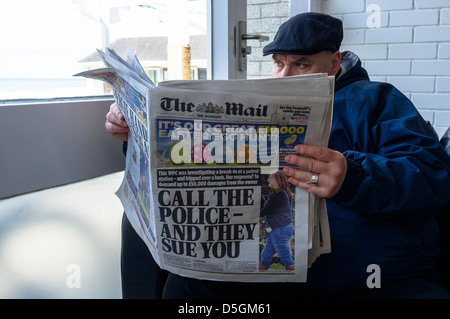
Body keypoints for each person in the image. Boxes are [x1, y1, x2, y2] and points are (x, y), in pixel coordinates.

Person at [106, 12, 450, 299]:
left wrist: (354, 177)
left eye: (300, 64)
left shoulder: (377, 100)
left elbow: (432, 177)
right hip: (275, 268)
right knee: (184, 286)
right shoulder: (259, 106)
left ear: (333, 63)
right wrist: (136, 134)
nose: (284, 76)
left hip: (361, 266)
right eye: (278, 64)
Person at [260, 170, 295, 271]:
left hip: (280, 229)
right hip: (280, 229)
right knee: (265, 256)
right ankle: (259, 276)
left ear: (278, 180)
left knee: (286, 259)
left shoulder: (279, 195)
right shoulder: (283, 194)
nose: (268, 180)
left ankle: (295, 280)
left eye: (271, 178)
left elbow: (266, 210)